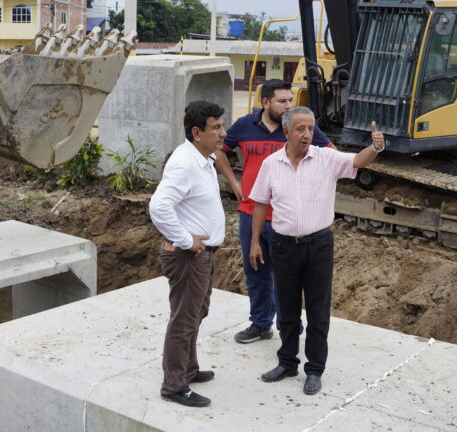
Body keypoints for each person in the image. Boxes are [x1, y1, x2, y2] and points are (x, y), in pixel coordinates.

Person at [248, 106, 385, 395]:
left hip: (319, 246)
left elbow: (358, 161)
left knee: (318, 312)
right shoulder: (271, 164)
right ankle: (287, 363)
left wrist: (375, 146)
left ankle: (314, 369)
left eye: (310, 128)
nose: (306, 134)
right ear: (286, 132)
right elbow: (260, 202)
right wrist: (255, 240)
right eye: (300, 129)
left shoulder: (326, 159)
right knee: (286, 310)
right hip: (283, 246)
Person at [215, 80, 332, 344]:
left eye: (290, 100)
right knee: (255, 270)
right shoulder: (245, 126)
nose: (289, 105)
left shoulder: (296, 127)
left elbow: (329, 155)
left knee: (286, 278)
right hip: (251, 213)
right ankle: (260, 323)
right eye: (283, 101)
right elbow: (221, 150)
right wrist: (234, 182)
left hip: (286, 218)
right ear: (265, 102)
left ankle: (289, 328)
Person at [149, 100, 227, 407]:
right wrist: (185, 240)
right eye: (216, 127)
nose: (223, 132)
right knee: (183, 321)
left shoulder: (202, 158)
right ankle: (174, 385)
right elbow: (158, 207)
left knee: (195, 314)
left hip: (201, 255)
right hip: (188, 257)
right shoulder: (184, 162)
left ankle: (189, 370)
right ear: (197, 132)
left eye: (222, 125)